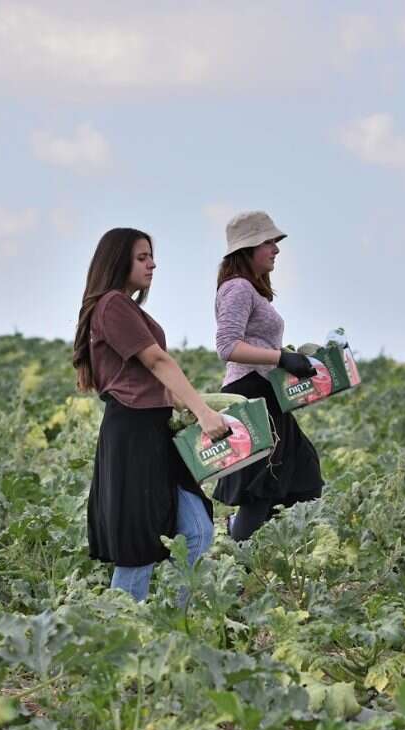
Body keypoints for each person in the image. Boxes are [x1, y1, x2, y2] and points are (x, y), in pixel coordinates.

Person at [73, 227, 228, 601]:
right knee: (138, 546)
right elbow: (156, 360)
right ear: (118, 261)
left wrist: (183, 403)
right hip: (133, 433)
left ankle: (172, 621)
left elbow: (145, 377)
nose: (152, 264)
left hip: (155, 430)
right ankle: (122, 628)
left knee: (197, 530)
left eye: (151, 257)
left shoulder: (124, 307)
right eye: (142, 257)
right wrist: (203, 411)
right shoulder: (112, 305)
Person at [213, 211, 323, 541]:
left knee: (299, 476)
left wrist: (287, 359)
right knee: (263, 484)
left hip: (266, 391)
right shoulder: (237, 288)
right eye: (268, 242)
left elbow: (254, 343)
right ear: (247, 248)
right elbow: (227, 346)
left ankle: (252, 544)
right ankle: (240, 548)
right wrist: (280, 357)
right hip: (250, 392)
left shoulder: (251, 290)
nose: (276, 249)